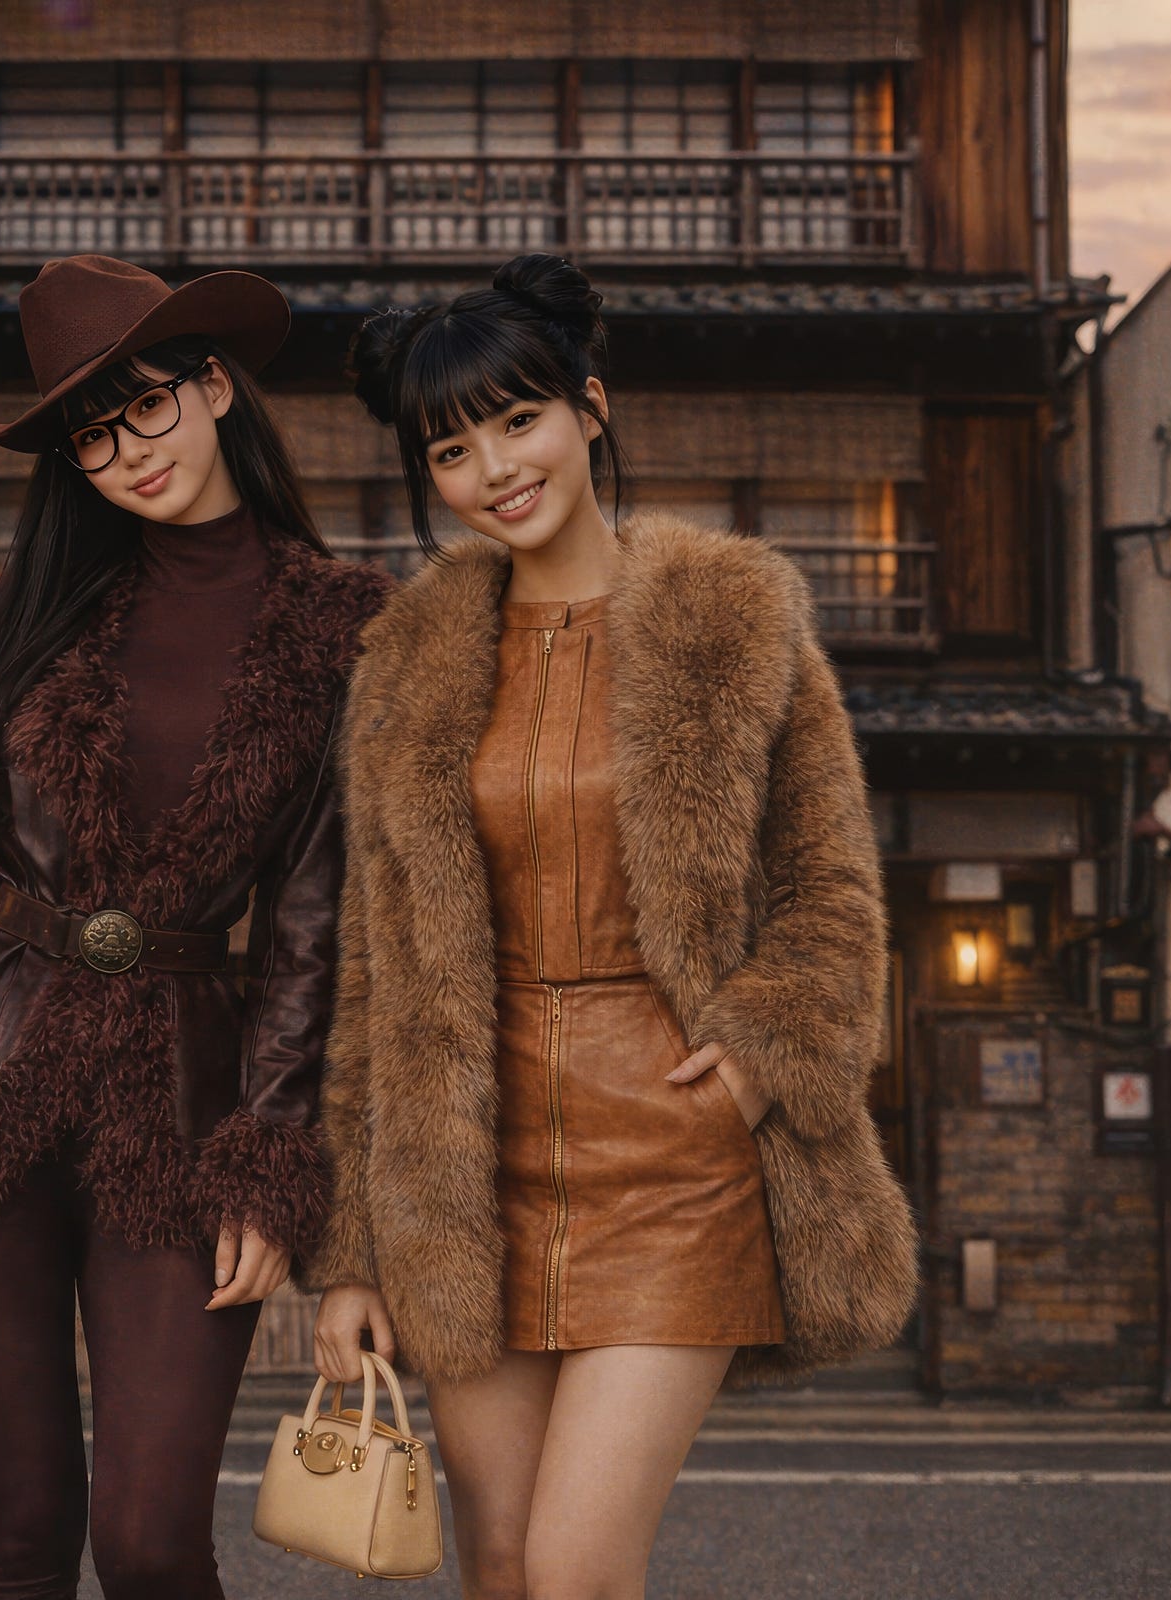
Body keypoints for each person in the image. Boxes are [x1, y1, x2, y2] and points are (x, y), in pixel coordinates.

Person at [0, 253, 392, 1600]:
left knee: (153, 1543)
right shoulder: (23, 620)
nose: (125, 454)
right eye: (91, 436)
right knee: (23, 1533)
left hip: (180, 1098)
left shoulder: (345, 632)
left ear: (215, 385)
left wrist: (270, 1153)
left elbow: (310, 930)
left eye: (144, 408)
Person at [311, 253, 917, 1600]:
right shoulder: (406, 661)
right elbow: (375, 972)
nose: (492, 468)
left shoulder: (734, 615)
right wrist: (353, 1248)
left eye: (516, 419)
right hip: (468, 1162)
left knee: (580, 1569)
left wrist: (762, 1056)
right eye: (452, 448)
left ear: (590, 405)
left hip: (673, 1146)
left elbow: (831, 888)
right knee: (505, 1565)